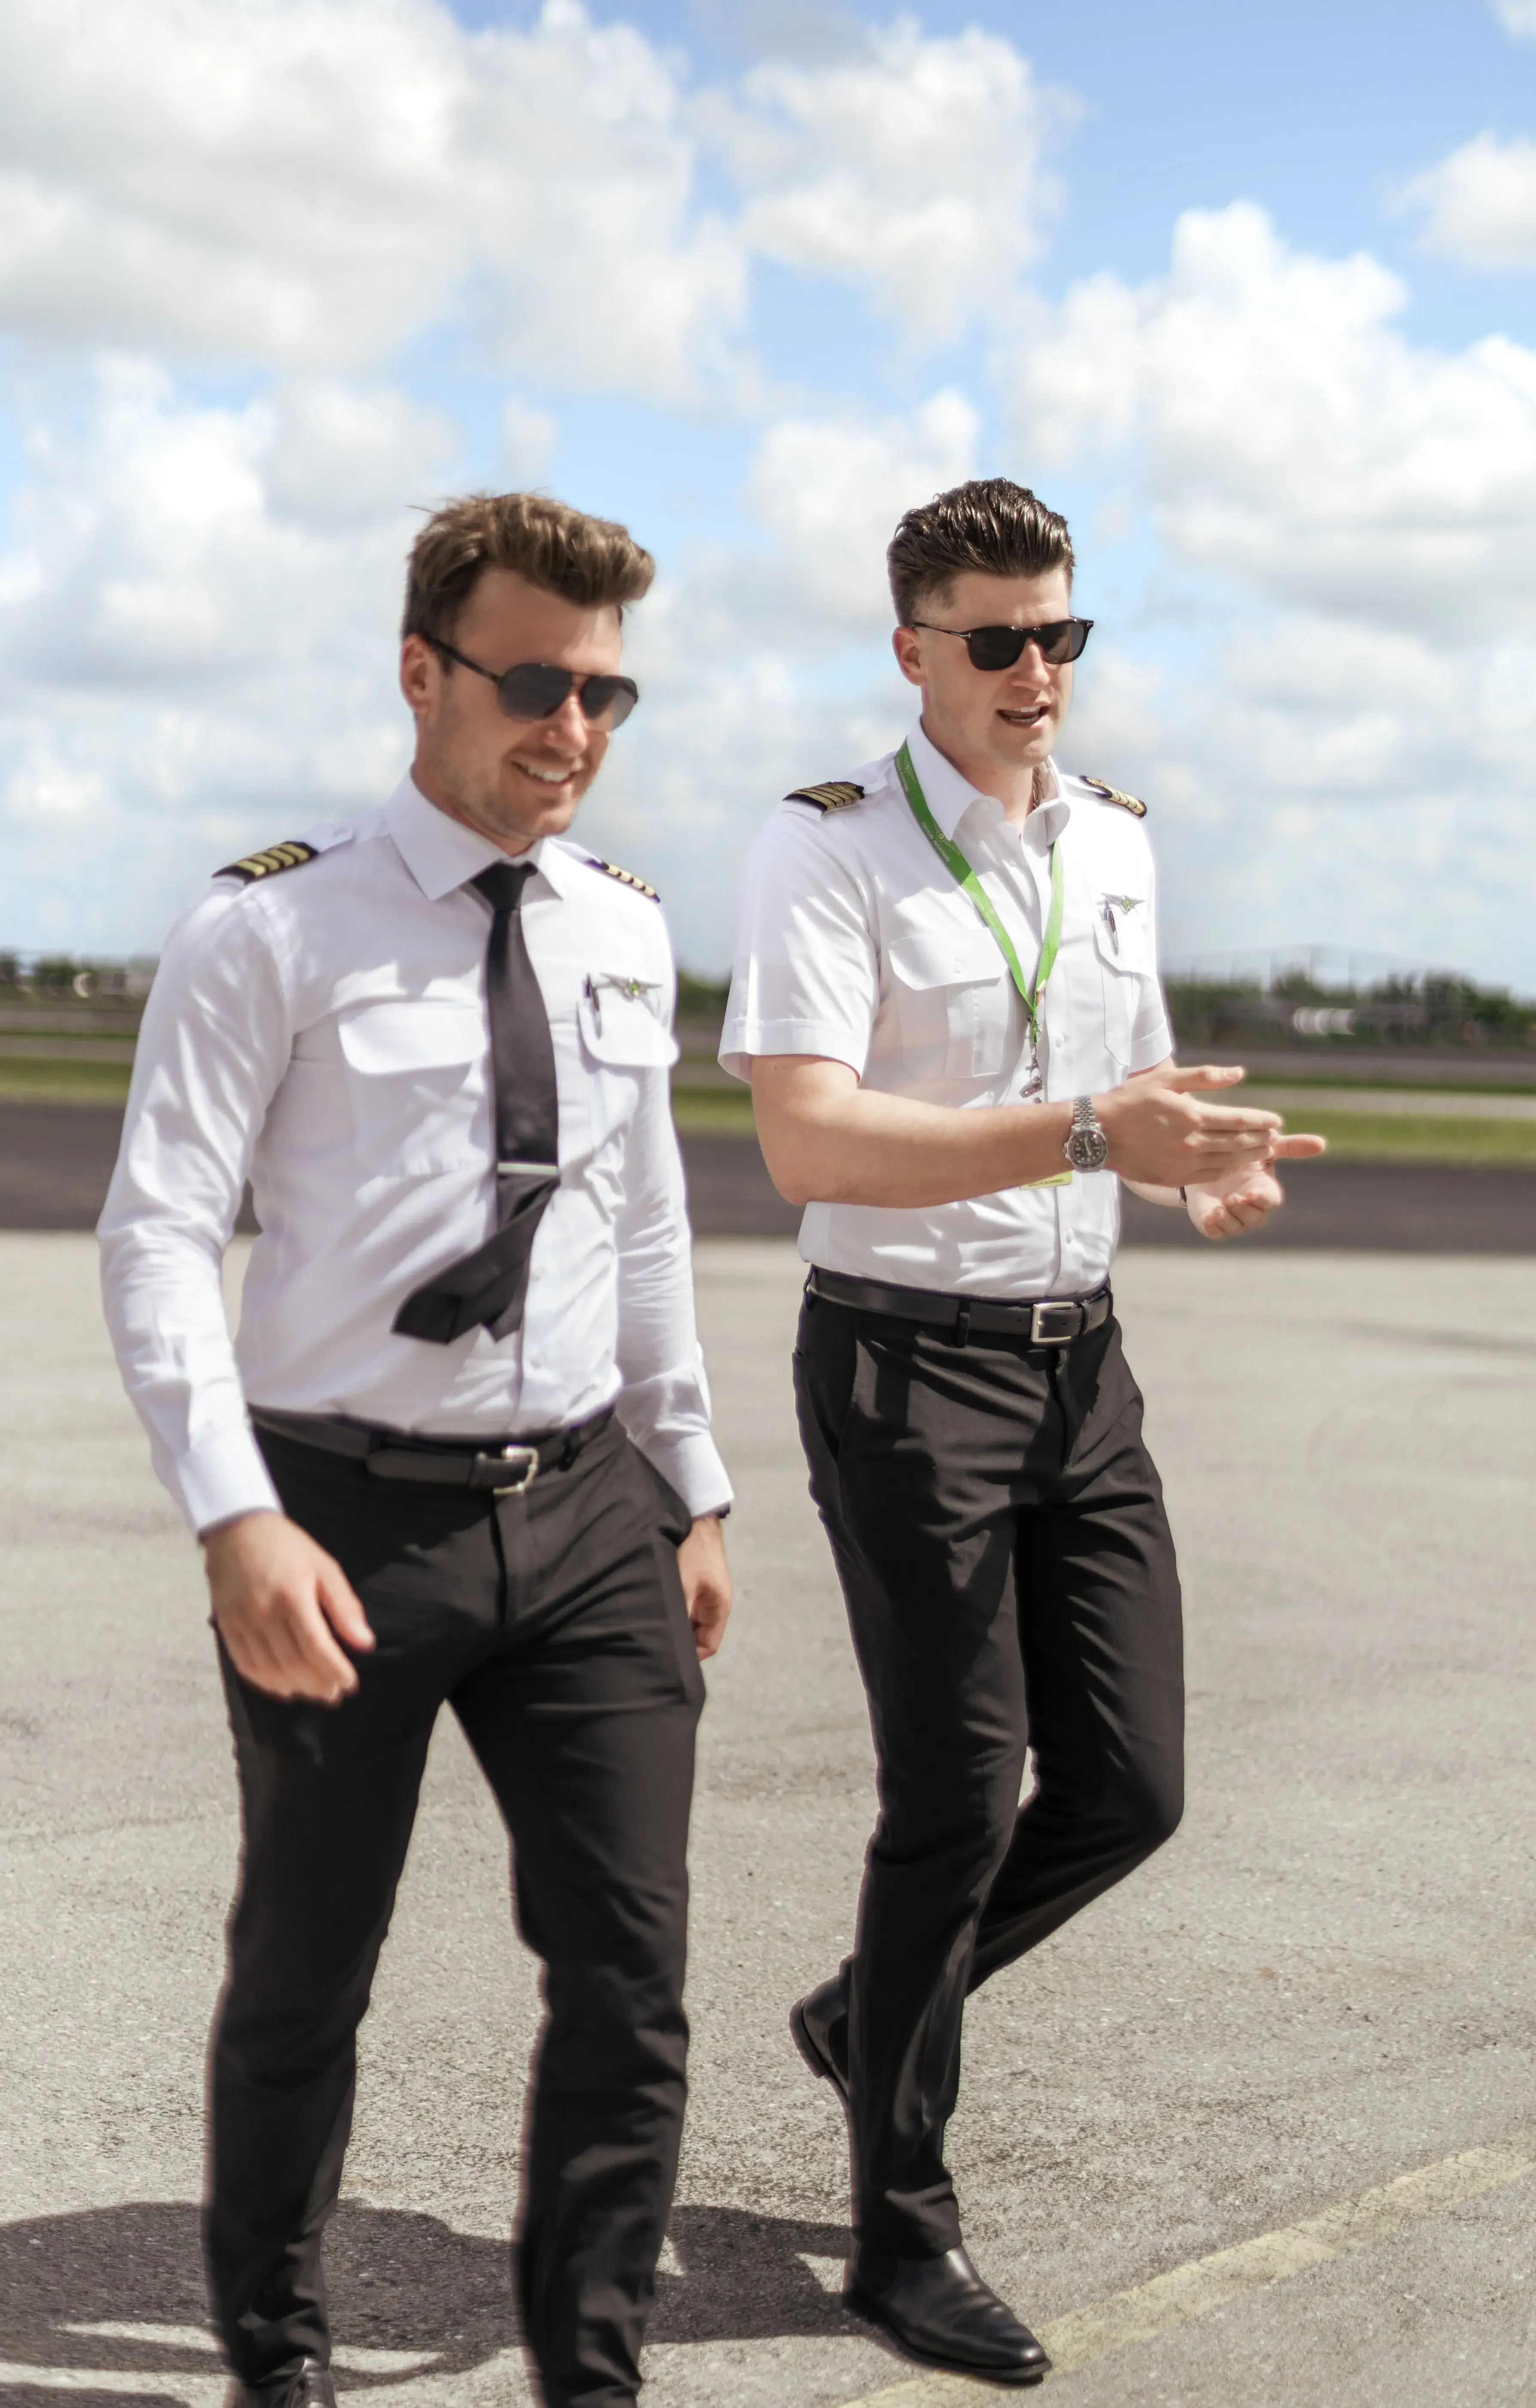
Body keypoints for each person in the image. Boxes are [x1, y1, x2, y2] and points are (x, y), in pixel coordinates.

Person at [99, 493, 734, 2408]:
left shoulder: (627, 925)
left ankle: (590, 2372)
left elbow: (644, 1226)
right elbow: (155, 1230)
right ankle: (278, 2350)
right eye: (536, 681)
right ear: (420, 671)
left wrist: (690, 1479)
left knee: (630, 1983)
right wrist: (234, 1515)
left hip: (591, 1511)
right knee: (308, 1969)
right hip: (344, 1520)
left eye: (609, 692)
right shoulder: (271, 925)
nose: (574, 727)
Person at [719, 477, 1322, 2387]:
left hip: (1082, 1365)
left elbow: (1115, 1079)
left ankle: (869, 2008)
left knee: (1133, 1784)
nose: (1039, 670)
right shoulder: (824, 853)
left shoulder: (1119, 843)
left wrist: (1181, 1164)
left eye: (1064, 634)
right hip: (907, 1370)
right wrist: (1086, 1139)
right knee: (959, 1796)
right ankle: (902, 2230)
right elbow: (808, 1138)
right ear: (914, 651)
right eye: (998, 640)